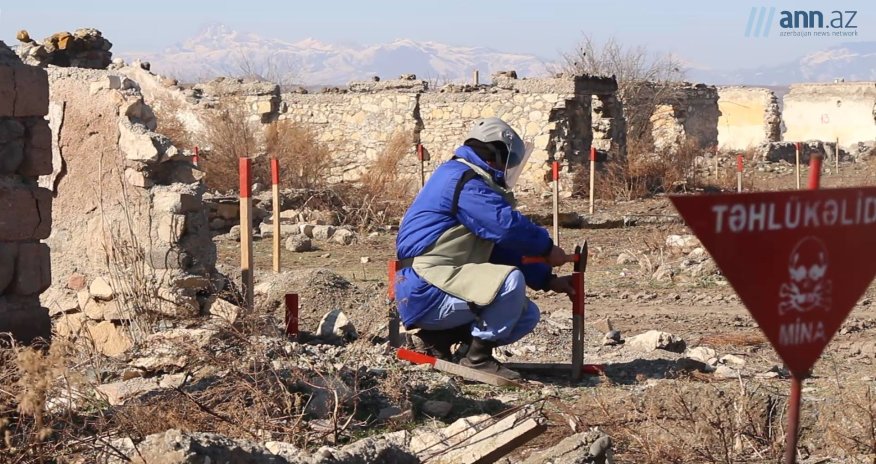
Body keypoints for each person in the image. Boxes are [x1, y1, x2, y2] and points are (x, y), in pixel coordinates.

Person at [393, 117, 576, 380]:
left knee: (526, 314)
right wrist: (547, 248)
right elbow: (507, 228)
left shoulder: (463, 177)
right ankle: (477, 360)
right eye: (507, 162)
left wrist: (548, 279)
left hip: (438, 281)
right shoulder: (464, 181)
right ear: (493, 156)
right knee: (509, 281)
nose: (507, 170)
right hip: (427, 285)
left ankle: (438, 340)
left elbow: (499, 250)